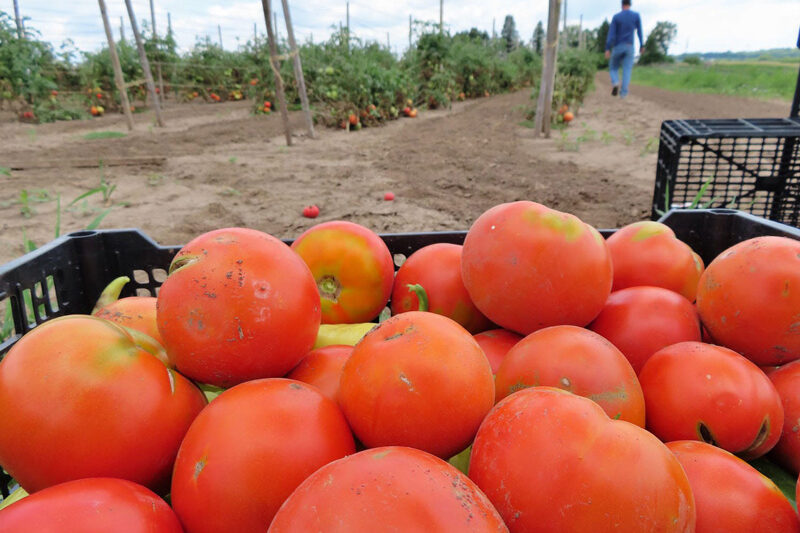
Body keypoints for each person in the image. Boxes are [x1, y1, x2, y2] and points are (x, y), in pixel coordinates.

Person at [605, 0, 644, 99]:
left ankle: (615, 82)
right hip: (629, 46)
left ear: (621, 5)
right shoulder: (636, 16)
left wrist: (607, 48)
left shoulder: (616, 17)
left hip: (618, 46)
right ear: (630, 4)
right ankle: (623, 94)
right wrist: (642, 45)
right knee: (627, 70)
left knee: (613, 67)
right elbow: (640, 31)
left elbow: (611, 35)